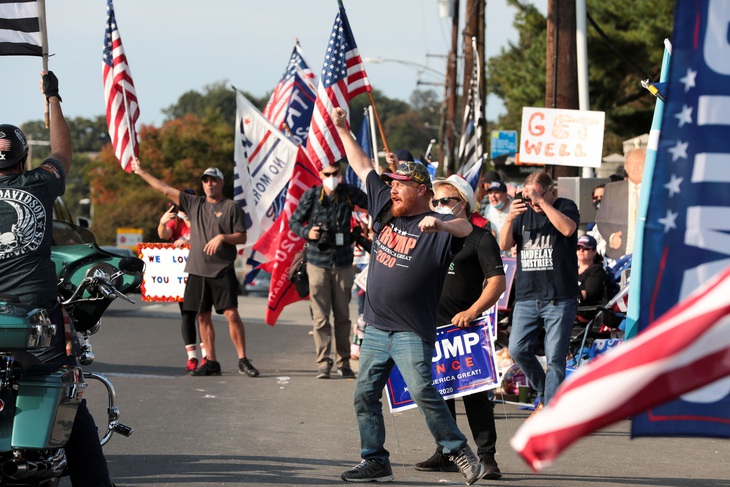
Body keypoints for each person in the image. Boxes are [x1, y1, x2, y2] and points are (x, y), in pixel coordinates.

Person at [333, 107, 486, 485]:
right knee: (364, 395)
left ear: (421, 190)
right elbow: (362, 163)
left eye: (400, 184)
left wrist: (444, 223)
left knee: (422, 390)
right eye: (392, 183)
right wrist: (342, 129)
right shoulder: (386, 207)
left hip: (410, 331)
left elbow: (469, 226)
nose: (392, 188)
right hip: (376, 327)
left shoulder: (437, 228)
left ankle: (458, 450)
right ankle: (375, 459)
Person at [0, 72, 114, 486]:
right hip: (33, 318)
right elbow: (63, 149)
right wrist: (52, 98)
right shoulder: (39, 183)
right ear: (24, 158)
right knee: (71, 401)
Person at [413, 175, 506, 479]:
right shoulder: (433, 237)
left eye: (445, 201)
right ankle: (446, 453)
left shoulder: (480, 238)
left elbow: (497, 282)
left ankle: (487, 458)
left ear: (462, 203)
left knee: (475, 396)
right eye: (435, 201)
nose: (439, 206)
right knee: (439, 394)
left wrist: (473, 310)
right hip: (431, 327)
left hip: (467, 329)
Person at [132, 161, 259, 378]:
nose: (210, 184)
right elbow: (164, 188)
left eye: (214, 180)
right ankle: (211, 361)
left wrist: (222, 237)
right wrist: (141, 171)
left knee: (231, 314)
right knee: (202, 316)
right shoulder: (194, 204)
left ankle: (242, 359)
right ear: (203, 184)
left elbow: (242, 236)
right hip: (197, 271)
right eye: (206, 180)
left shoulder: (231, 207)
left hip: (221, 269)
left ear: (221, 182)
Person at [499, 171, 580, 411]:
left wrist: (542, 203)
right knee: (517, 349)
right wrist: (508, 219)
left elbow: (567, 229)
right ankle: (547, 395)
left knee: (555, 357)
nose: (531, 203)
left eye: (536, 196)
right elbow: (504, 245)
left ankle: (549, 409)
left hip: (560, 297)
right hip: (527, 295)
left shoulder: (565, 206)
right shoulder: (522, 213)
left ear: (550, 191)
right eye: (528, 198)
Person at [288, 160, 367, 379]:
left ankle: (344, 363)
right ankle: (323, 363)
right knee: (321, 318)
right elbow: (293, 222)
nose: (331, 177)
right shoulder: (312, 196)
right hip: (317, 262)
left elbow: (374, 203)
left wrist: (363, 225)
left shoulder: (349, 193)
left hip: (343, 262)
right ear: (320, 175)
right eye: (327, 174)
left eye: (335, 173)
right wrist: (308, 233)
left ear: (340, 173)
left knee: (342, 317)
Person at [157, 189, 206, 372]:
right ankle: (192, 356)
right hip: (181, 275)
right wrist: (163, 222)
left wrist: (187, 219)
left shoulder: (200, 217)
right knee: (187, 314)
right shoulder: (175, 222)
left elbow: (201, 234)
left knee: (202, 313)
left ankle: (207, 354)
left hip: (200, 271)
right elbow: (163, 234)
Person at [594, 148, 646, 260]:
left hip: (647, 258)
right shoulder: (612, 189)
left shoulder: (655, 190)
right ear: (626, 167)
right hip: (617, 259)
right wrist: (611, 236)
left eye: (640, 163)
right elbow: (601, 220)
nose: (636, 167)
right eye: (632, 163)